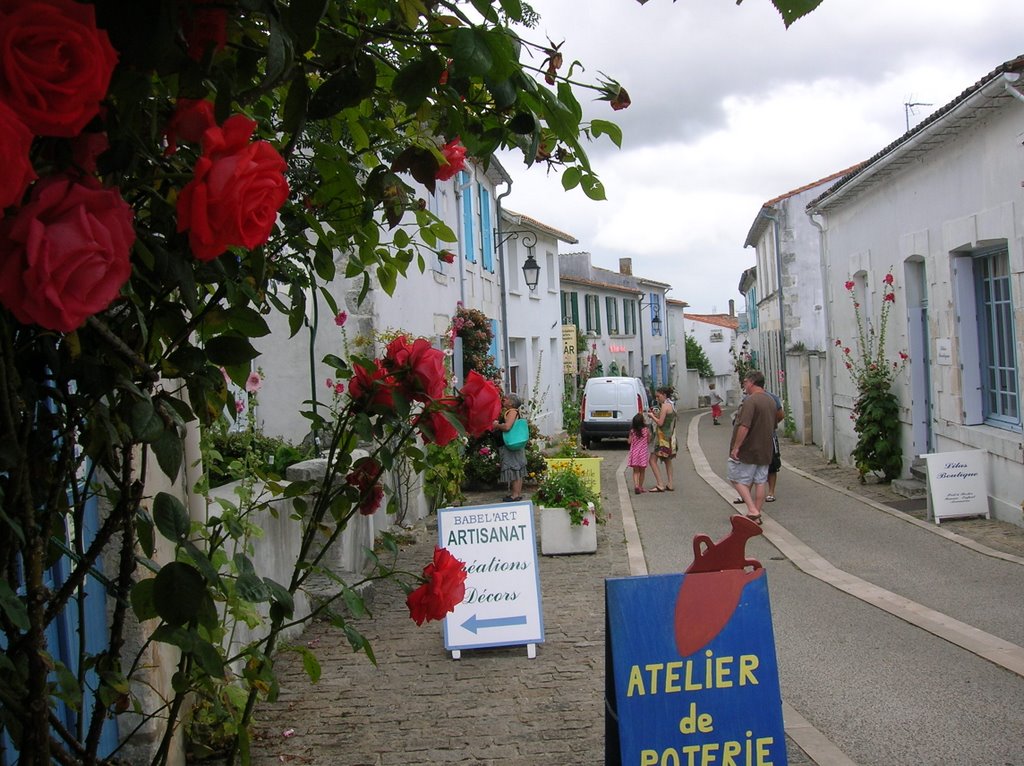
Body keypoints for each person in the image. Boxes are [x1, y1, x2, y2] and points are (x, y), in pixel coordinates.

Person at [727, 371, 776, 524]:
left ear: (752, 382)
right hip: (766, 447)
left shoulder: (751, 401)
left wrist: (736, 447)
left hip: (749, 448)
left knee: (735, 476)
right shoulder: (770, 401)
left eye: (745, 382)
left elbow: (744, 425)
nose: (744, 385)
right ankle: (757, 514)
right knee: (760, 481)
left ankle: (752, 509)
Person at [733, 388, 784, 504]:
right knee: (749, 465)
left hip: (768, 437)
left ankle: (770, 492)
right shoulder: (747, 399)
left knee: (772, 464)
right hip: (752, 438)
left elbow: (780, 414)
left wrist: (770, 426)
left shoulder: (772, 398)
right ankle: (746, 494)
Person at [495, 393, 527, 502]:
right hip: (516, 443)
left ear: (512, 403)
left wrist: (496, 425)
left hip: (511, 444)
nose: (504, 399)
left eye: (507, 398)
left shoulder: (512, 412)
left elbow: (507, 427)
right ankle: (516, 493)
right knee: (518, 468)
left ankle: (515, 495)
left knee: (515, 468)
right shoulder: (514, 412)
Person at [647, 386, 677, 492]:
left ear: (664, 395)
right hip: (670, 436)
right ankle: (670, 483)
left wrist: (652, 416)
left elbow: (660, 423)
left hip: (662, 437)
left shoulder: (664, 406)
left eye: (658, 396)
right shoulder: (672, 405)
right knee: (667, 460)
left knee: (652, 460)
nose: (657, 398)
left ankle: (660, 483)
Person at [627, 412, 650, 494]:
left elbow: (629, 442)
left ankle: (636, 486)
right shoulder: (646, 430)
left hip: (635, 453)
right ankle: (640, 487)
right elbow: (648, 441)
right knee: (642, 471)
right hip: (643, 453)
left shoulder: (632, 431)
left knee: (635, 471)